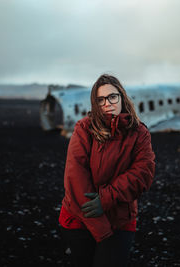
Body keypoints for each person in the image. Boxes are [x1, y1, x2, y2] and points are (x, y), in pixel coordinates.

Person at [58, 74, 156, 267]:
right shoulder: (84, 129)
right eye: (100, 100)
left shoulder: (139, 133)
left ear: (122, 97)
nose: (107, 103)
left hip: (120, 220)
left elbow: (143, 172)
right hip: (80, 219)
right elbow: (76, 178)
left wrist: (106, 198)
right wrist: (102, 229)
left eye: (112, 96)